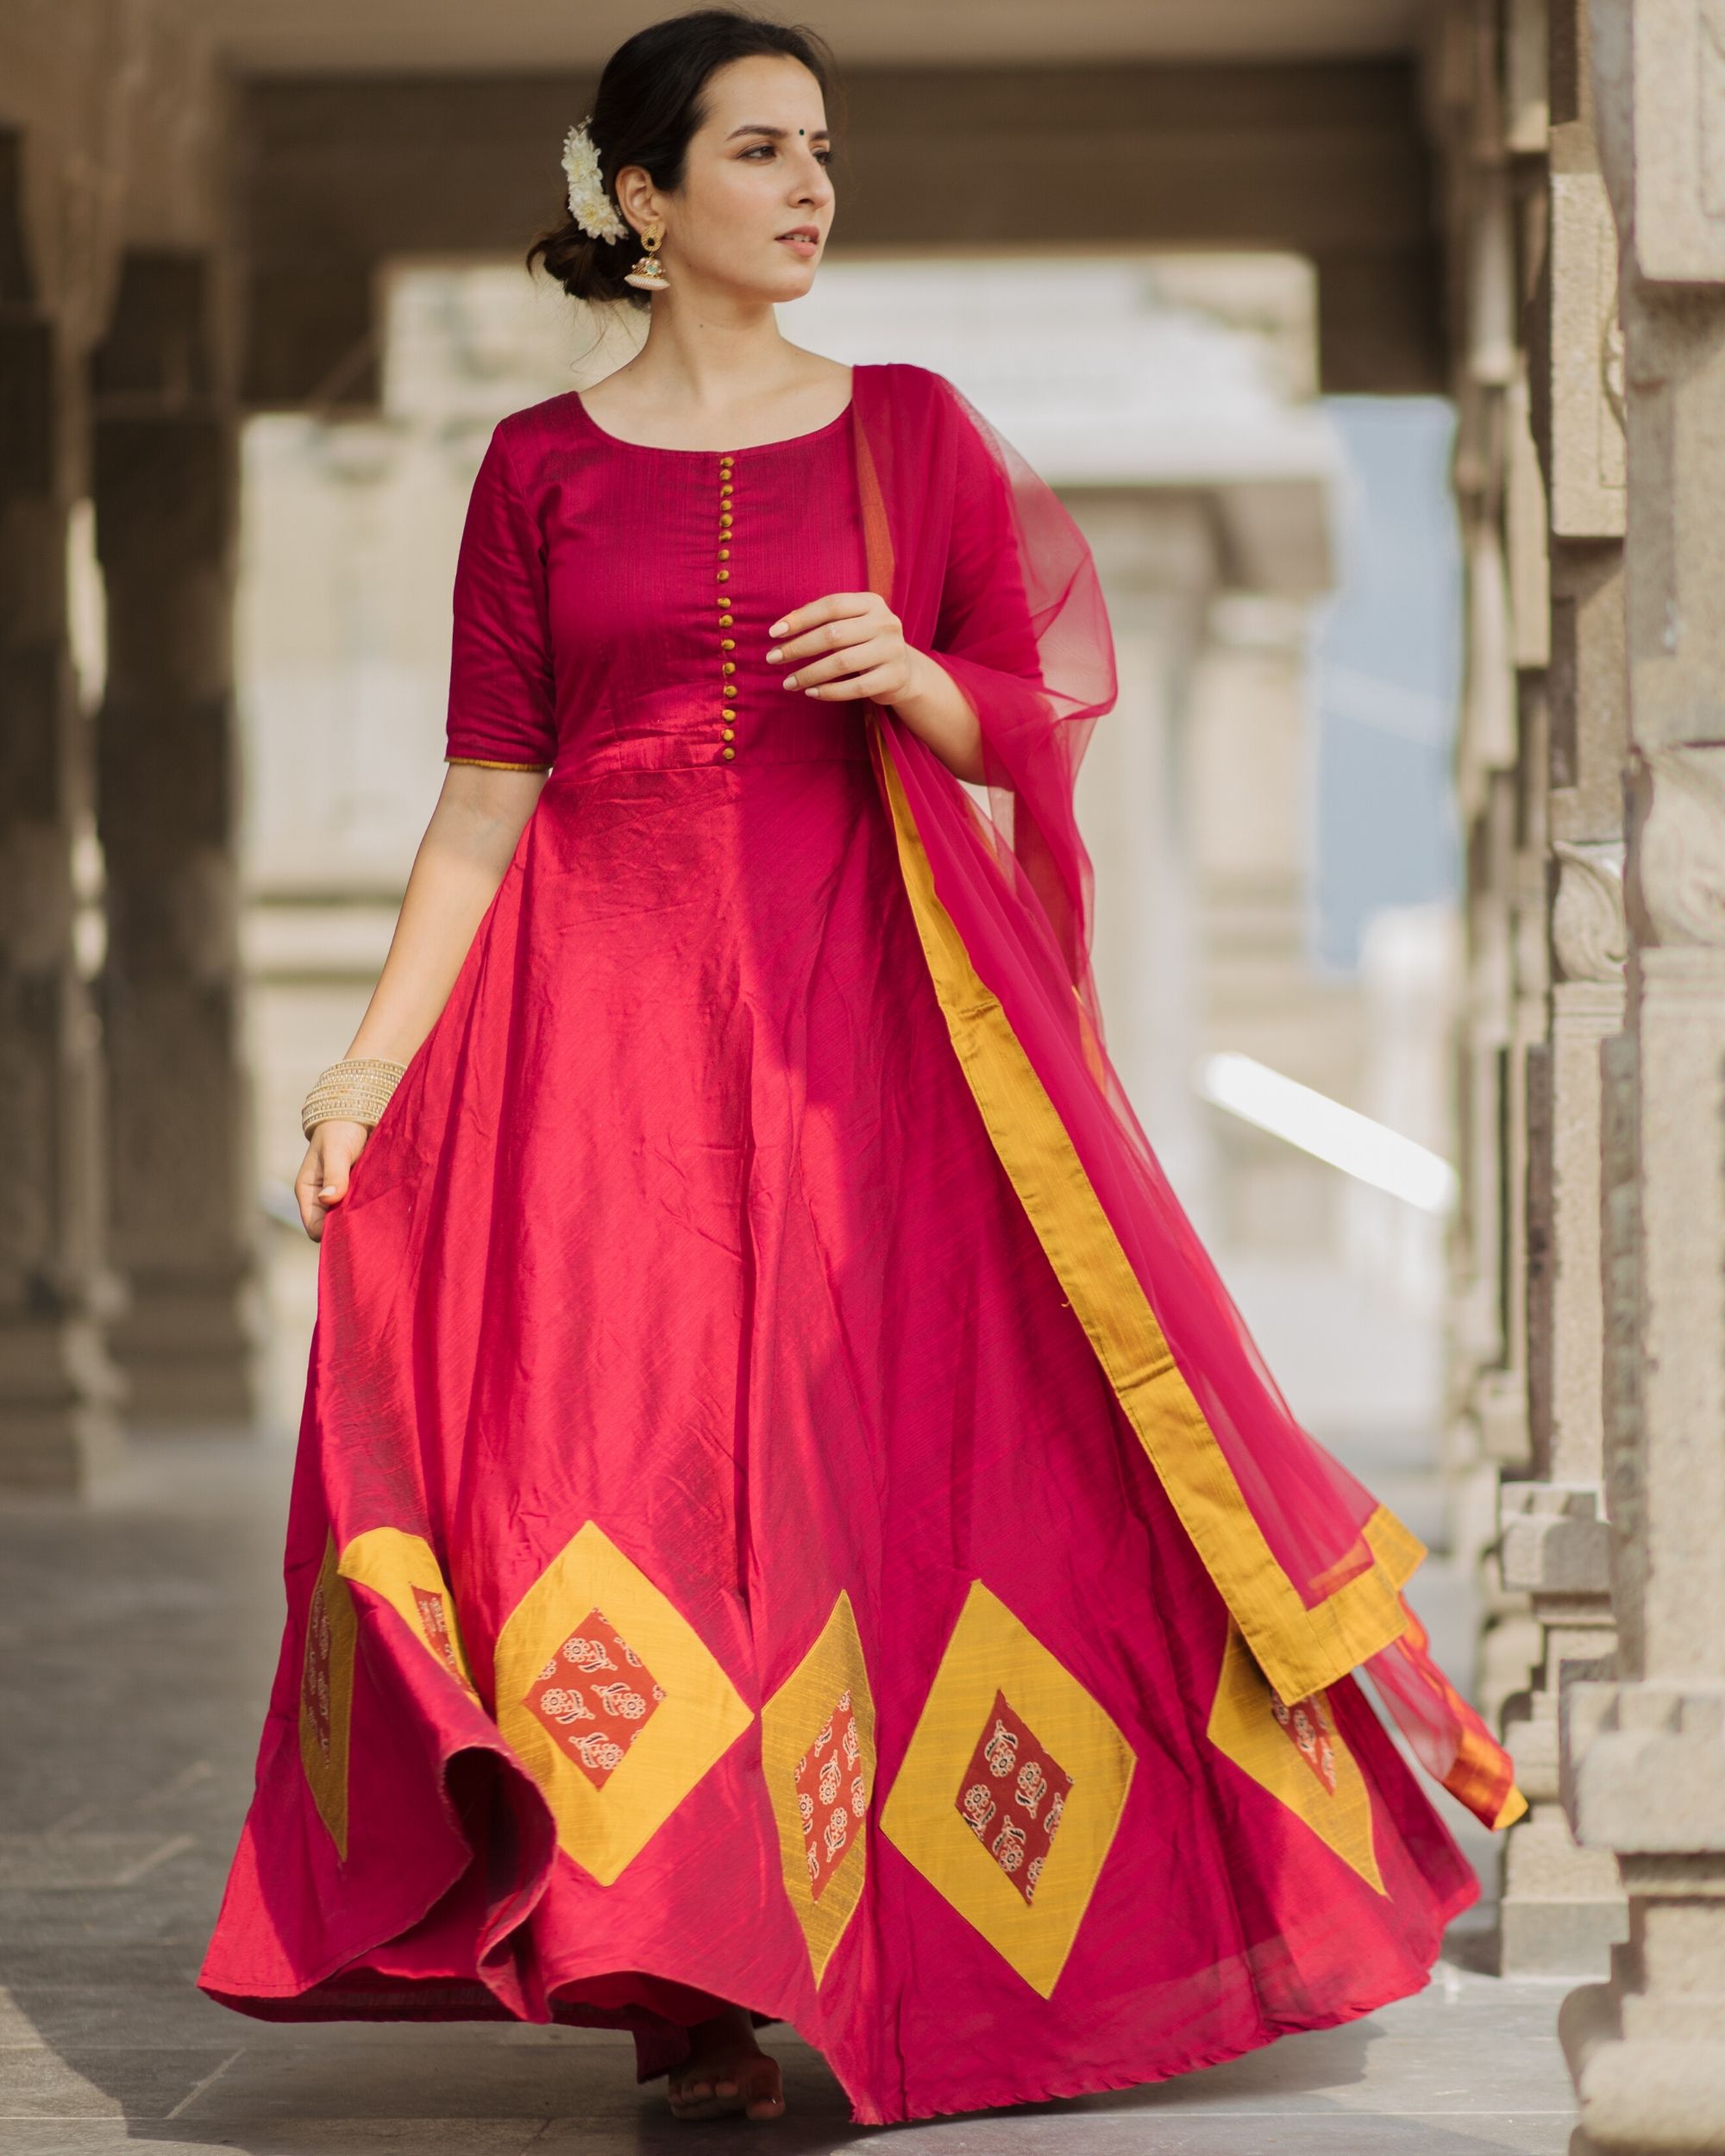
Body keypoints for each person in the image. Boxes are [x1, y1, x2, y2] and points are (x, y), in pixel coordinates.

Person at [199, 6, 1524, 2128]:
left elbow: (1037, 711)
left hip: (866, 1038)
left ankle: (933, 1963)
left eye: (823, 149)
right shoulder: (533, 466)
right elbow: (481, 796)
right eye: (757, 153)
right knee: (605, 1468)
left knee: (887, 1469)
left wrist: (913, 676)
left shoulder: (906, 428)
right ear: (641, 201)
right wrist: (367, 1069)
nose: (811, 187)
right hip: (597, 1042)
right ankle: (677, 1974)